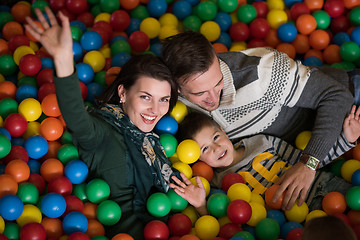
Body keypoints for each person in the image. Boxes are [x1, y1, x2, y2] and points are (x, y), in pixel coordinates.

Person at [25, 7, 179, 239]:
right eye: (145, 97)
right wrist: (64, 60)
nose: (155, 110)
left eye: (163, 100)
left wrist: (200, 204)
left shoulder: (151, 143)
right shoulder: (101, 132)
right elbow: (75, 115)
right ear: (123, 93)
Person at [161, 31, 358, 210]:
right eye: (200, 93)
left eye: (218, 82)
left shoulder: (263, 71)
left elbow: (336, 96)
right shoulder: (170, 104)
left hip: (349, 103)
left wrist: (309, 163)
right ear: (177, 89)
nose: (214, 98)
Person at [169, 105, 360, 215]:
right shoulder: (216, 182)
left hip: (323, 186)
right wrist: (201, 205)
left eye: (216, 137)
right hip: (292, 221)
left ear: (223, 130)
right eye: (205, 149)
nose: (217, 148)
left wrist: (346, 141)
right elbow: (221, 221)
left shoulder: (261, 141)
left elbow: (307, 162)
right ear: (196, 158)